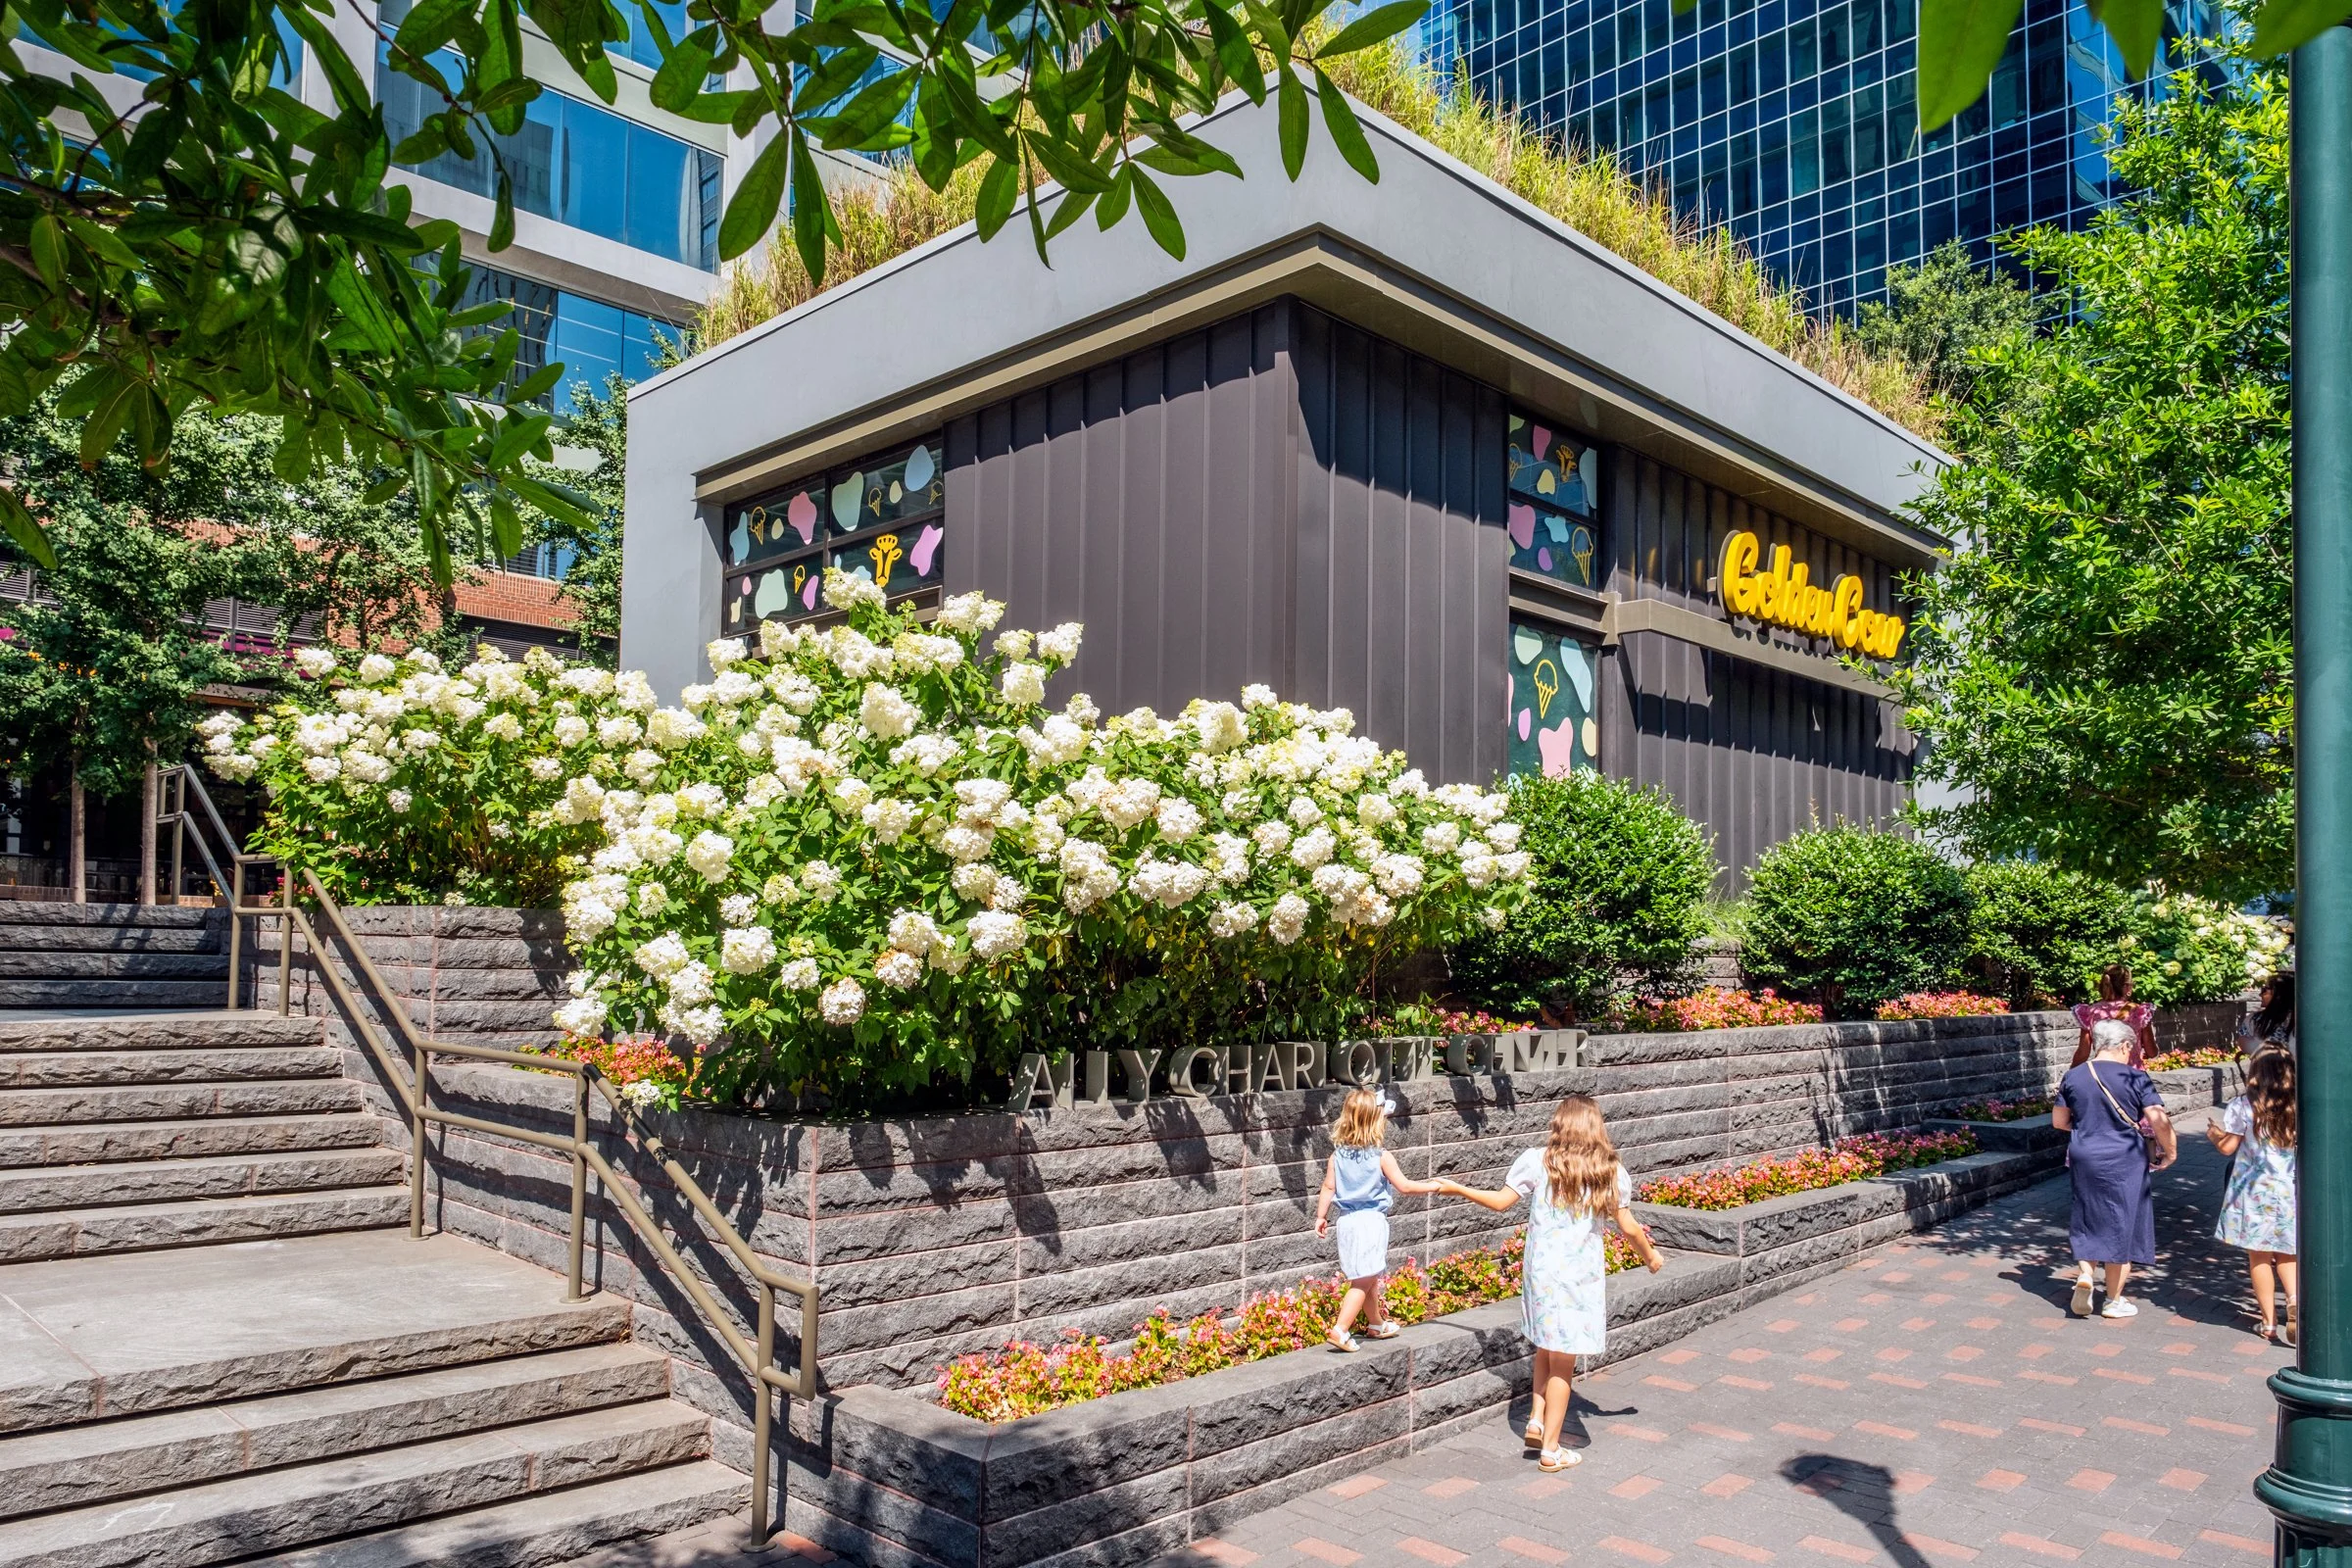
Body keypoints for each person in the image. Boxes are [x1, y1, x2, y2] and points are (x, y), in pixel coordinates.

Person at [1439, 1096, 1664, 1473]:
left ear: (1560, 1125)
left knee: (1546, 1344)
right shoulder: (1608, 1170)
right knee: (1563, 1362)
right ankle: (1552, 1450)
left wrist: (1458, 1188)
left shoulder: (1538, 1161)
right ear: (1595, 1127)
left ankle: (1537, 1419)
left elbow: (1499, 1202)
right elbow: (1627, 1225)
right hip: (1578, 1280)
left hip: (1541, 1275)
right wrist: (1651, 1256)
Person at [2053, 1018, 2177, 1318]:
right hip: (2125, 1156)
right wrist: (2170, 1151)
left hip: (2085, 1153)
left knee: (2087, 1214)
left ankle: (2085, 1275)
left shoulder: (2074, 1076)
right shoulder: (2136, 1078)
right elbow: (2158, 1119)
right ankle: (2113, 1300)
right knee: (2124, 1221)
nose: (2131, 1053)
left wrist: (2087, 1128)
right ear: (2123, 1045)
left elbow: (2059, 1121)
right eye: (2130, 1048)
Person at [1314, 1088, 1442, 1352]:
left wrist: (1321, 1216)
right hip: (1370, 1222)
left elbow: (1328, 1188)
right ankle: (1340, 1329)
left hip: (1347, 1222)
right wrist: (1433, 1185)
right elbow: (1404, 1186)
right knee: (1362, 1280)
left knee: (1367, 1274)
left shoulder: (1336, 1157)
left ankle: (1376, 1324)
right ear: (1376, 1122)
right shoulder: (1381, 1157)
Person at [2208, 1047, 2299, 1345]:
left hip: (2253, 1190)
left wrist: (2214, 1134)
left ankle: (2269, 1323)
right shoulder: (2298, 1105)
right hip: (2289, 1188)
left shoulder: (2243, 1106)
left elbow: (2227, 1148)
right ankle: (2295, 1299)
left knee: (2259, 1255)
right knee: (2288, 1252)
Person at [2071, 963, 2155, 1071]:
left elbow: (2083, 1053)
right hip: (2132, 1074)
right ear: (2127, 986)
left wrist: (2071, 1073)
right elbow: (2151, 1052)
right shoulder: (2139, 1012)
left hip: (2103, 1073)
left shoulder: (2090, 1012)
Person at [2237, 971, 2297, 1056]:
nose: (2260, 994)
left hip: (2265, 1068)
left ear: (2278, 994)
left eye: (2264, 990)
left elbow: (2244, 1043)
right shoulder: (2306, 1020)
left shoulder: (2254, 1020)